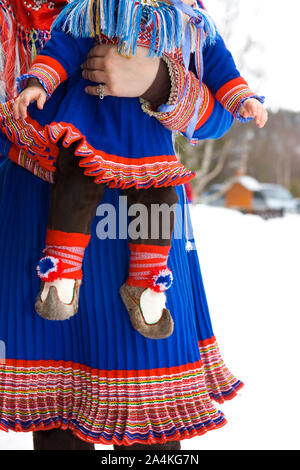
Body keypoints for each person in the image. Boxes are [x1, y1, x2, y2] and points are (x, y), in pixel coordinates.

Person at [0, 0, 253, 451]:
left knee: (149, 431)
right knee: (57, 427)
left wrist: (157, 82)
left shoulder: (172, 8)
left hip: (141, 222)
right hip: (42, 212)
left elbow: (218, 117)